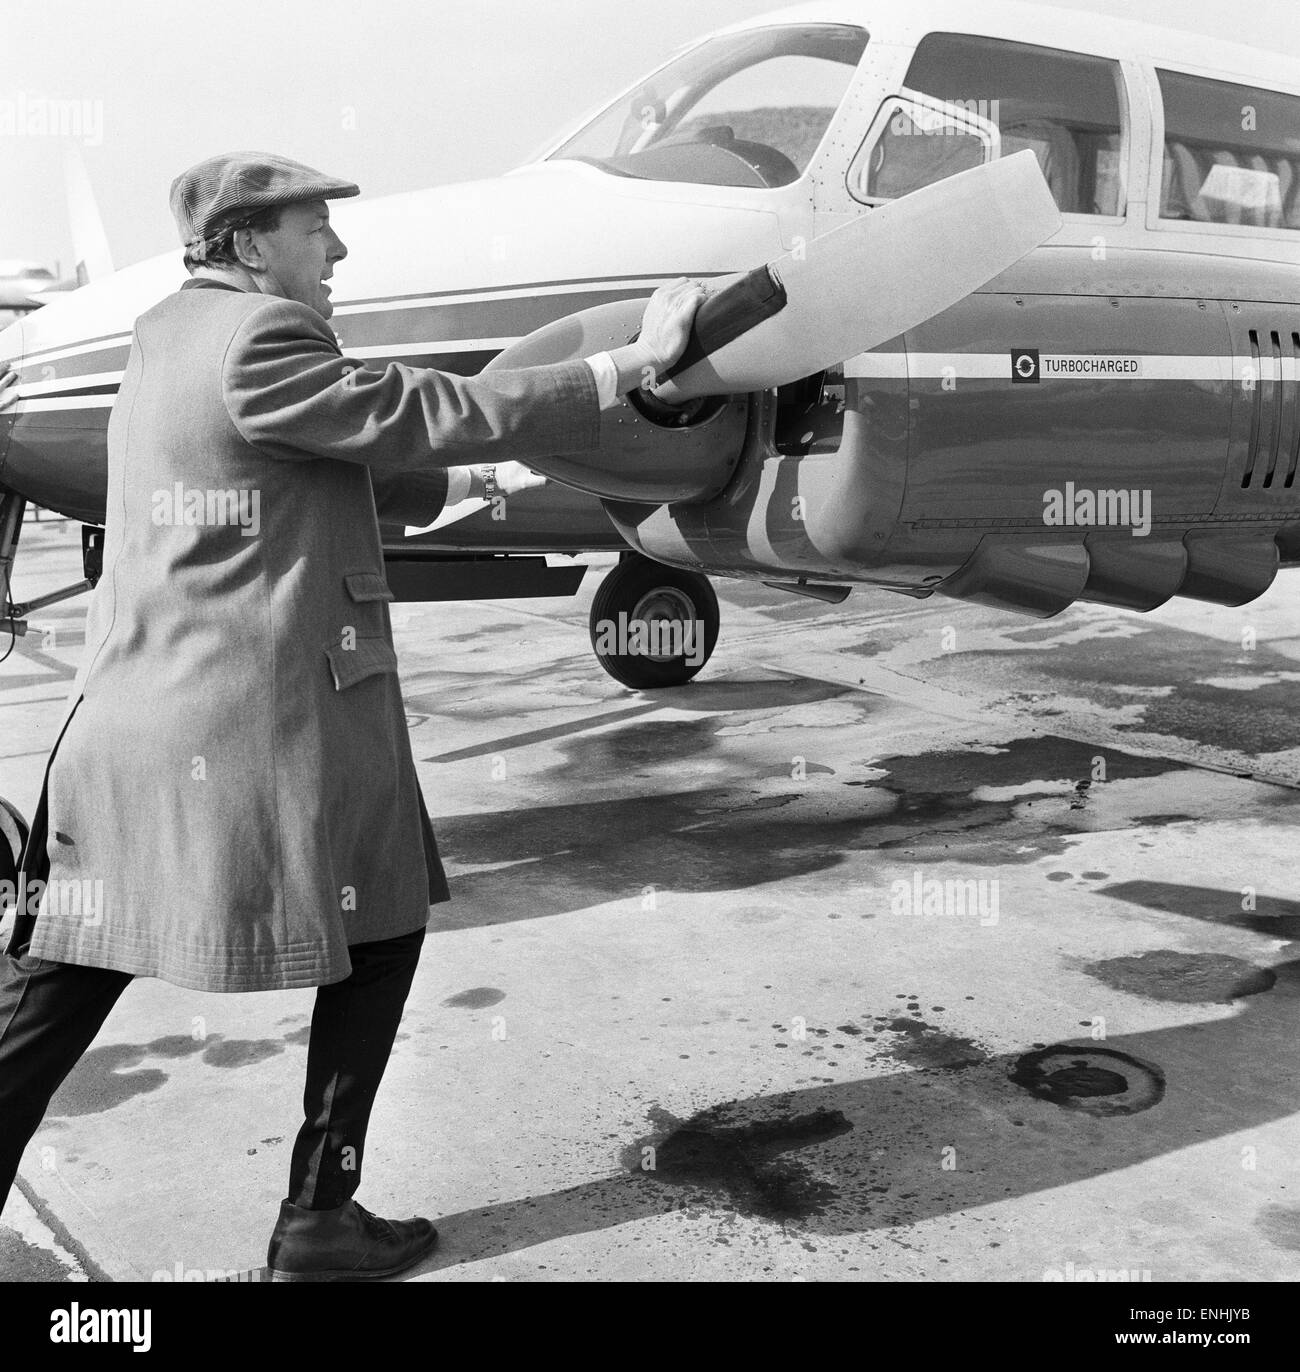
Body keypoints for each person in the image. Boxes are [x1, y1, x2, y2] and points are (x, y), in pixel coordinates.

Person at [0, 152, 705, 1281]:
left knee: (63, 982)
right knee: (377, 932)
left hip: (123, 729)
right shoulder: (262, 339)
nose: (336, 250)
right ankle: (318, 1215)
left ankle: (323, 1218)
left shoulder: (168, 341)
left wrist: (481, 486)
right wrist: (626, 370)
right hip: (241, 732)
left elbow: (309, 471)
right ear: (245, 244)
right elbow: (431, 407)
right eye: (312, 228)